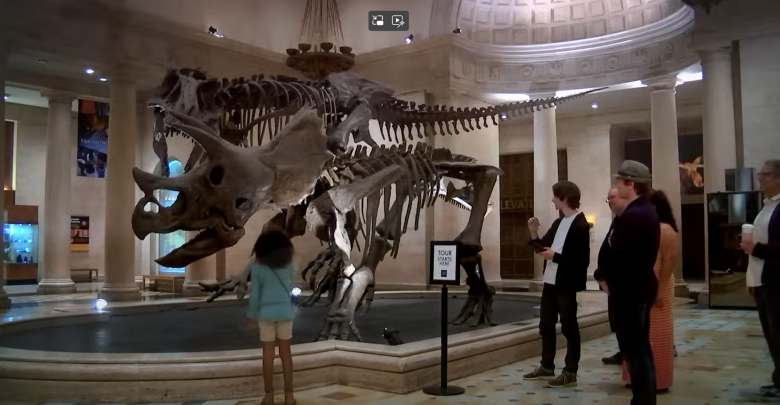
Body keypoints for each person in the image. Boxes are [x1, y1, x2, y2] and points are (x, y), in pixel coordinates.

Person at [594, 160, 660, 405]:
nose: (615, 186)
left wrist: (608, 278)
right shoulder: (638, 211)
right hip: (634, 290)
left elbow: (623, 257)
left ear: (630, 184)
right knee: (636, 351)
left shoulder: (636, 215)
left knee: (637, 352)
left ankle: (643, 400)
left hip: (631, 292)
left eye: (618, 182)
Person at [523, 181, 591, 387]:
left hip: (566, 283)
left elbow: (582, 261)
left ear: (563, 198)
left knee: (570, 326)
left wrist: (556, 256)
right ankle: (547, 365)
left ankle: (570, 371)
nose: (552, 200)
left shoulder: (580, 224)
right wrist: (533, 232)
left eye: (555, 196)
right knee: (546, 323)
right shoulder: (558, 222)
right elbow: (540, 247)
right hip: (550, 282)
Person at [623, 190, 678, 392]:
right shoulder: (646, 226)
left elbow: (670, 263)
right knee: (637, 333)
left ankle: (658, 379)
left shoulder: (665, 230)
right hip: (641, 284)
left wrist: (660, 291)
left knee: (658, 334)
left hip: (657, 286)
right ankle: (635, 376)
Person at [740, 159, 780, 398]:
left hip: (776, 281)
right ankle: (778, 378)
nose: (760, 178)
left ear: (778, 178)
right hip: (762, 280)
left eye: (765, 174)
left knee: (779, 333)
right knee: (771, 334)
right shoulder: (767, 206)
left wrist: (755, 248)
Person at [245, 230, 297, 405]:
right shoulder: (289, 265)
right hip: (285, 313)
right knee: (286, 355)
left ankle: (269, 396)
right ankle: (289, 396)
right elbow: (290, 287)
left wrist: (251, 316)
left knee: (268, 356)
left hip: (266, 315)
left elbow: (255, 295)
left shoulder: (258, 268)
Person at [599, 187, 627, 365]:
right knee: (616, 320)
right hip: (613, 283)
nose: (610, 201)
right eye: (608, 199)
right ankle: (623, 351)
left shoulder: (628, 221)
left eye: (613, 198)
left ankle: (627, 353)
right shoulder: (616, 221)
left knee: (624, 321)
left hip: (623, 282)